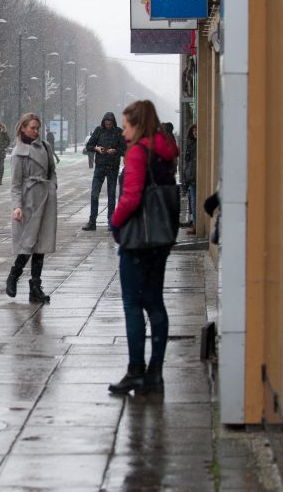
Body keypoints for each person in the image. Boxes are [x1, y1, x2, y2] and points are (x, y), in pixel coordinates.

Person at [107, 100, 180, 395]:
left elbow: (131, 197)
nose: (124, 133)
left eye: (126, 126)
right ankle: (156, 374)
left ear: (138, 124)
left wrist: (114, 224)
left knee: (133, 304)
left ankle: (135, 370)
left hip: (137, 239)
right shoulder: (166, 152)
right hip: (161, 238)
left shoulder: (138, 151)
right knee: (155, 303)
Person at [6, 112, 56, 304]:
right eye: (32, 128)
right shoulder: (18, 153)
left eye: (37, 128)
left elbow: (52, 171)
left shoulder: (45, 146)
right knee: (27, 243)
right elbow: (15, 184)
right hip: (27, 203)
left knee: (40, 245)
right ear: (23, 128)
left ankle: (35, 287)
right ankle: (14, 275)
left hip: (45, 199)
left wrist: (52, 187)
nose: (36, 131)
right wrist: (17, 206)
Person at [83, 112, 126, 231]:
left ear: (113, 122)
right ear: (103, 121)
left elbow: (125, 149)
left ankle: (111, 222)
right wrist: (97, 148)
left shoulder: (118, 132)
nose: (108, 123)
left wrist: (115, 151)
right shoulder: (98, 130)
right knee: (94, 194)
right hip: (100, 166)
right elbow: (89, 146)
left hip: (113, 166)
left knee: (111, 195)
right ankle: (92, 222)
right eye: (106, 121)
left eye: (110, 122)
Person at [182, 124, 197, 232]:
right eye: (193, 131)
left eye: (197, 130)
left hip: (194, 175)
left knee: (195, 200)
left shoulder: (198, 144)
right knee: (193, 201)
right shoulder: (190, 145)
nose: (195, 132)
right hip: (191, 176)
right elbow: (187, 163)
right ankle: (195, 223)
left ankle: (196, 224)